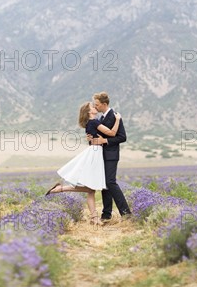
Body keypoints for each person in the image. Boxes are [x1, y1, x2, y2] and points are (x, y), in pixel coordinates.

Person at [45, 101, 121, 225]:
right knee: (90, 188)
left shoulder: (90, 124)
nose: (95, 107)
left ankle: (94, 219)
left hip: (94, 151)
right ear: (89, 111)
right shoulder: (94, 122)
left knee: (91, 190)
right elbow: (112, 133)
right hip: (95, 154)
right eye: (93, 106)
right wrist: (117, 120)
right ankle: (60, 189)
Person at [88, 92, 132, 221]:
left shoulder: (114, 116)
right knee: (105, 184)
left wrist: (105, 141)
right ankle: (106, 215)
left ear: (104, 104)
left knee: (110, 182)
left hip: (111, 155)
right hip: (101, 155)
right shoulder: (101, 118)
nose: (95, 107)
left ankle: (126, 213)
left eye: (97, 105)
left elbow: (122, 137)